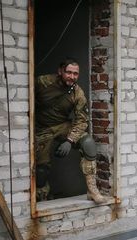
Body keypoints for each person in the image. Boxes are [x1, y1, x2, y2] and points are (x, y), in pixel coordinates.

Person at [35, 58, 106, 203]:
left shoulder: (77, 93)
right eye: (68, 72)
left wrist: (69, 140)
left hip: (63, 126)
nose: (72, 77)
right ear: (60, 71)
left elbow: (81, 120)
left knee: (88, 143)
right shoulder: (43, 82)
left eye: (75, 74)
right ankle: (41, 195)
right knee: (41, 169)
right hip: (41, 128)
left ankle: (92, 190)